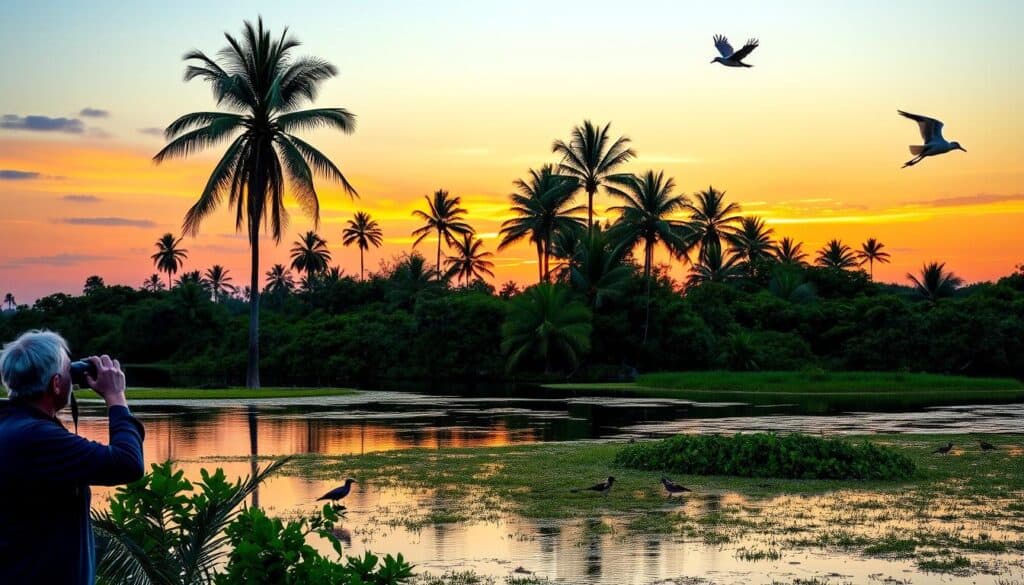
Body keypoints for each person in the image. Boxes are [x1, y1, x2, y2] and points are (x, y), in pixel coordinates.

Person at [0, 330, 145, 584]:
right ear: (56, 384)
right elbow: (127, 463)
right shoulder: (36, 437)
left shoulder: (12, 425)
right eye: (70, 371)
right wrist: (115, 397)